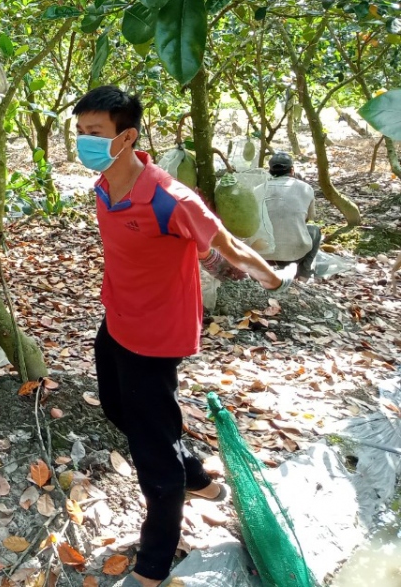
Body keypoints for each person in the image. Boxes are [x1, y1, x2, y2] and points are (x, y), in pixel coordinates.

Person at [72, 86, 293, 587]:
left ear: (126, 137)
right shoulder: (104, 186)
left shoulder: (172, 198)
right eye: (81, 133)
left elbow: (229, 247)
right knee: (114, 406)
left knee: (154, 454)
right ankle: (194, 476)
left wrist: (274, 278)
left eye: (96, 134)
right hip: (119, 319)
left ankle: (154, 563)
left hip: (157, 334)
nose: (85, 142)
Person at [260, 152, 321, 280]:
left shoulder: (258, 189)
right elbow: (309, 218)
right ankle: (304, 274)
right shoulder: (306, 188)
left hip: (262, 255)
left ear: (269, 171)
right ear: (292, 170)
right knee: (315, 231)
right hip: (295, 255)